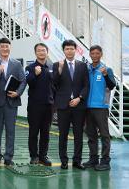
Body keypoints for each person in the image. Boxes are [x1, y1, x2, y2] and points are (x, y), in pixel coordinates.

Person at [0, 37, 27, 166]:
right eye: (2, 46)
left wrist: (18, 92)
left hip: (12, 102)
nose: (5, 48)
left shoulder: (16, 64)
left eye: (7, 46)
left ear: (10, 48)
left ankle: (8, 157)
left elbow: (23, 80)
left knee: (11, 131)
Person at [53, 39, 89, 170]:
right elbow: (54, 83)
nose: (69, 51)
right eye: (67, 49)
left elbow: (86, 85)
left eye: (72, 48)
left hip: (79, 106)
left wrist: (80, 98)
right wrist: (60, 69)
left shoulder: (82, 66)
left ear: (76, 50)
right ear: (64, 50)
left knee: (78, 134)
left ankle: (77, 161)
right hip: (63, 106)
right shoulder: (58, 64)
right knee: (63, 134)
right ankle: (63, 160)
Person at [83, 45, 116, 171]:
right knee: (91, 134)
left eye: (97, 53)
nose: (95, 55)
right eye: (92, 53)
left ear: (101, 54)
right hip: (88, 107)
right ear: (90, 55)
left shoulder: (106, 69)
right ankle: (93, 159)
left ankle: (106, 161)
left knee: (104, 135)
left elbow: (112, 86)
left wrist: (106, 75)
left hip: (101, 107)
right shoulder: (87, 69)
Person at [25, 43, 54, 166]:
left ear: (47, 52)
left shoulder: (52, 67)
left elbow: (56, 85)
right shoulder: (30, 68)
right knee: (33, 131)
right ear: (35, 53)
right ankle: (34, 156)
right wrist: (35, 74)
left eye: (43, 50)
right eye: (39, 51)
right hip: (35, 105)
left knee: (45, 132)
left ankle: (43, 156)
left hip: (49, 105)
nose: (41, 52)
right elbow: (29, 82)